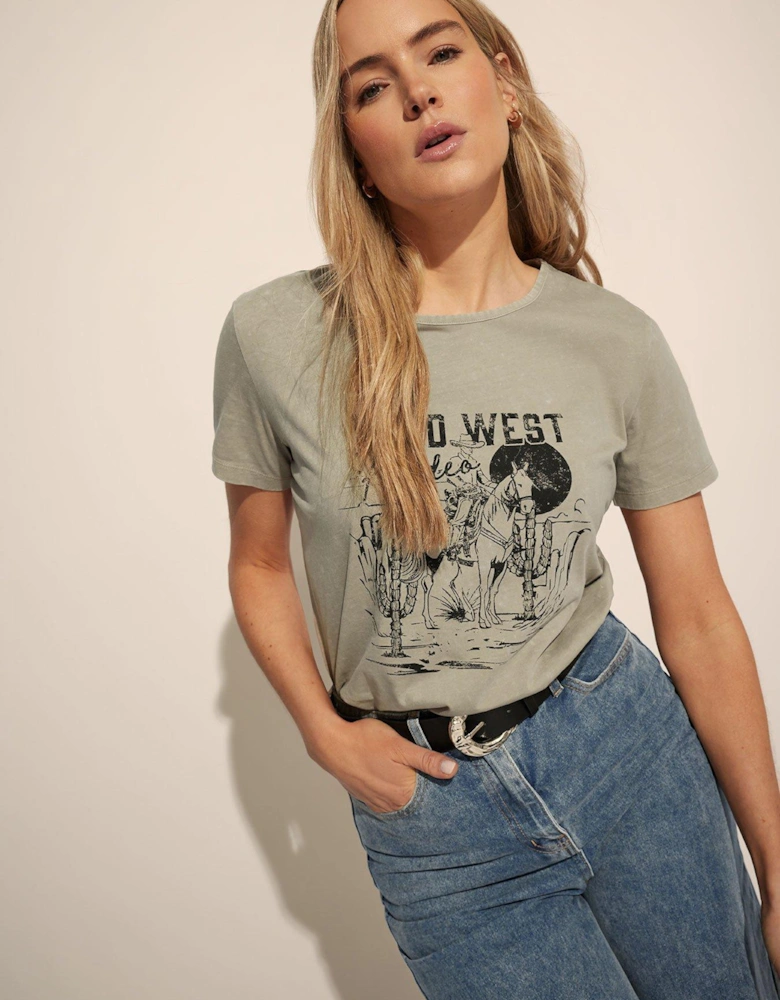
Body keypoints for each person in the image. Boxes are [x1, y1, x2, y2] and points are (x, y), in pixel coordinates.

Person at [210, 0, 780, 996]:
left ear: (504, 82)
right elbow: (258, 565)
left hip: (627, 752)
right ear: (354, 148)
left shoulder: (615, 340)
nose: (418, 93)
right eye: (373, 86)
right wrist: (324, 731)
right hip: (440, 826)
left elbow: (697, 613)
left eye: (440, 52)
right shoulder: (278, 335)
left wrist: (778, 864)